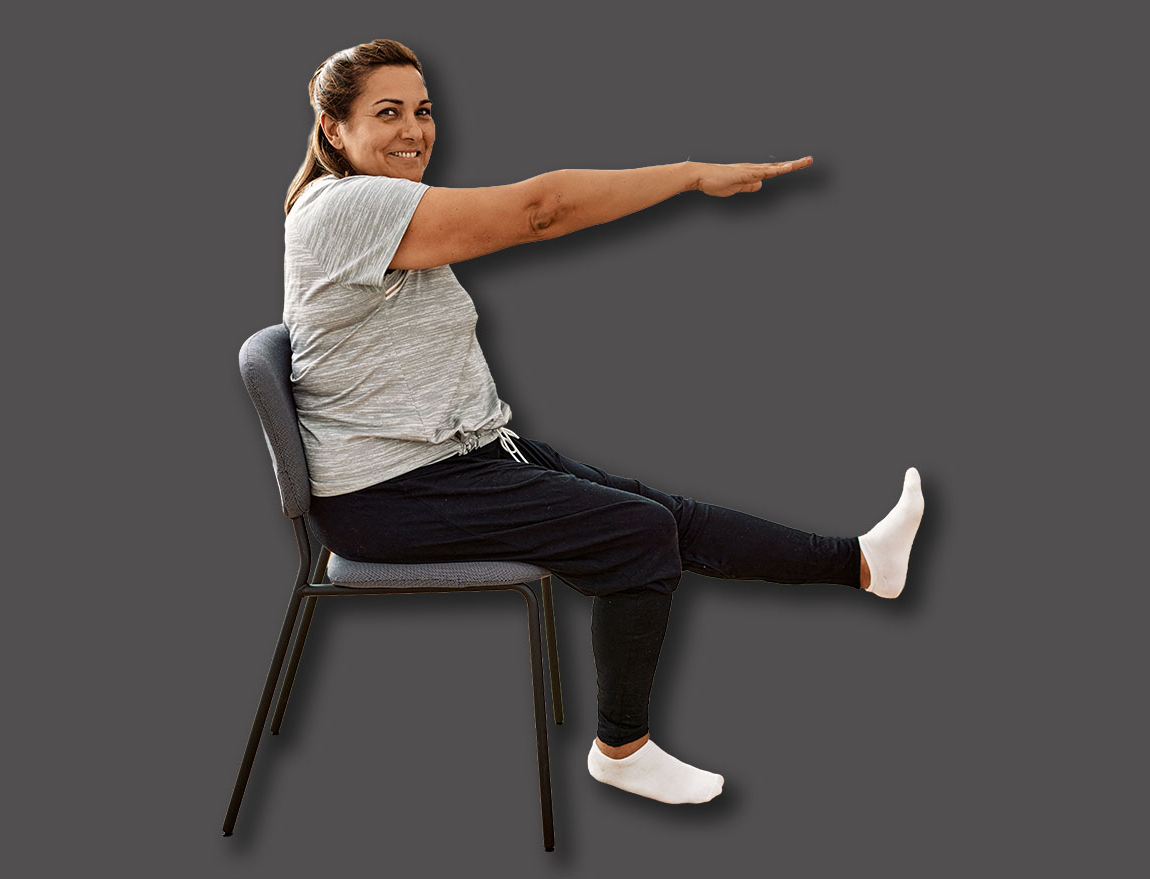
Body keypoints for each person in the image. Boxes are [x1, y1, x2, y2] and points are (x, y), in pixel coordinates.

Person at [282, 39, 924, 807]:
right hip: (388, 495)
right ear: (333, 128)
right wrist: (691, 174)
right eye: (387, 113)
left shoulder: (381, 204)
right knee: (637, 533)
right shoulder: (347, 207)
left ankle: (863, 563)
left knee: (667, 515)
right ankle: (622, 749)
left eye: (423, 110)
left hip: (461, 458)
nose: (414, 131)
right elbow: (541, 210)